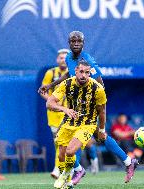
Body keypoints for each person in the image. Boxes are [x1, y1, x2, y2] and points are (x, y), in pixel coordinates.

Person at [39, 31, 138, 185]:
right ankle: (127, 161)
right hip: (76, 106)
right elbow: (69, 74)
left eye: (79, 41)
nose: (76, 43)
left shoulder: (87, 60)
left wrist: (94, 104)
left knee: (88, 137)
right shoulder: (69, 58)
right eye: (73, 41)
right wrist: (51, 85)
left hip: (89, 106)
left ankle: (76, 171)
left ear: (83, 43)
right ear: (69, 43)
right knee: (98, 137)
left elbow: (99, 82)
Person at [47, 60, 107, 188]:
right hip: (69, 122)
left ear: (90, 73)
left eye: (87, 72)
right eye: (81, 72)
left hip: (88, 124)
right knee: (61, 154)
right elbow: (49, 103)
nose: (83, 75)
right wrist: (65, 109)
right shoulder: (67, 84)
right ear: (75, 71)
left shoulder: (97, 88)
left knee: (70, 151)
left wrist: (101, 130)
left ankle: (64, 176)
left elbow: (102, 112)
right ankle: (68, 181)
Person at [40, 48, 69, 178]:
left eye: (65, 58)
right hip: (53, 113)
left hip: (69, 112)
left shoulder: (74, 73)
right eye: (60, 58)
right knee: (58, 141)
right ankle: (60, 168)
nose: (63, 60)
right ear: (57, 60)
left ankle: (61, 168)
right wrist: (52, 102)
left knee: (66, 142)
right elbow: (42, 90)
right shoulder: (50, 73)